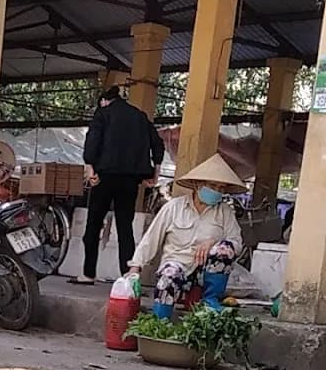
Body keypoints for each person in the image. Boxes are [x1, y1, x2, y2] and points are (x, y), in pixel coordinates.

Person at [128, 154, 244, 316]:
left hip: (205, 273)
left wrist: (213, 242)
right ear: (197, 185)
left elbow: (237, 243)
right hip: (177, 266)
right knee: (169, 277)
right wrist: (135, 267)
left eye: (221, 188)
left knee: (224, 248)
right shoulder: (174, 207)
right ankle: (159, 321)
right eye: (213, 186)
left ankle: (211, 302)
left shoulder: (224, 211)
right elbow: (151, 238)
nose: (217, 191)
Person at [78, 86, 165, 283]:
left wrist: (90, 168)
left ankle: (88, 273)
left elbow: (93, 140)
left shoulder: (103, 113)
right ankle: (127, 275)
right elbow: (158, 144)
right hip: (130, 180)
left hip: (105, 177)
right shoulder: (140, 116)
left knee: (93, 225)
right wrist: (155, 172)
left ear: (104, 101)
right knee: (125, 228)